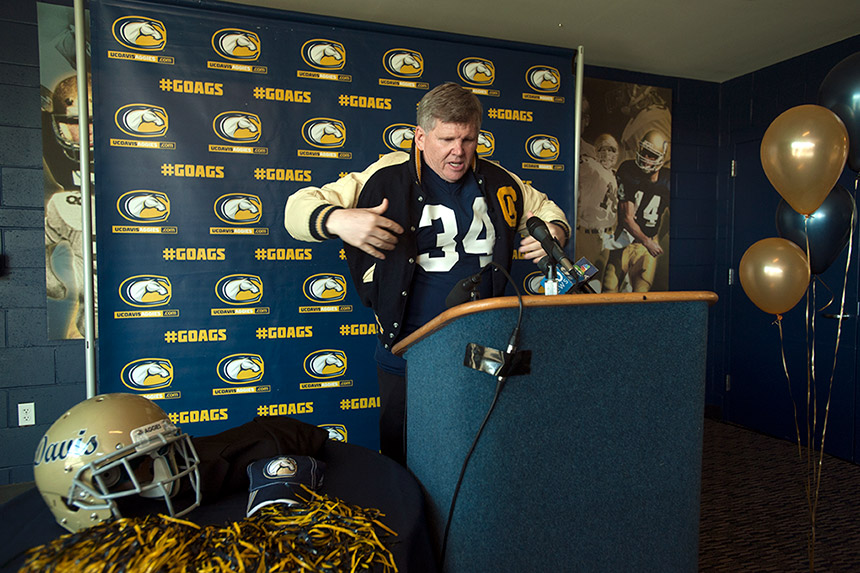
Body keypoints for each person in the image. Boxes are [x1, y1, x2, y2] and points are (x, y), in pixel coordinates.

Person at [285, 82, 571, 464]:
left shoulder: (498, 178)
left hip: (481, 348)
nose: (458, 152)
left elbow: (546, 209)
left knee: (481, 451)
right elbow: (296, 209)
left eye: (468, 139)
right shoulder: (385, 175)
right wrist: (338, 219)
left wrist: (555, 231)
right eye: (447, 139)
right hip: (407, 350)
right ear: (420, 137)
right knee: (404, 453)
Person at [602, 129, 670, 293]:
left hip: (646, 247)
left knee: (641, 296)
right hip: (623, 241)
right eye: (645, 153)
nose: (646, 159)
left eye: (652, 155)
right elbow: (627, 218)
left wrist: (654, 238)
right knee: (608, 290)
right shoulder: (628, 170)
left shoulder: (668, 180)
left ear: (661, 157)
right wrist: (648, 241)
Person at [575, 133, 619, 289]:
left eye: (611, 149)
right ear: (595, 151)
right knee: (578, 281)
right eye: (602, 149)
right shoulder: (591, 167)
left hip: (605, 237)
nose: (607, 154)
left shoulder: (613, 175)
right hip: (588, 238)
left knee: (595, 284)